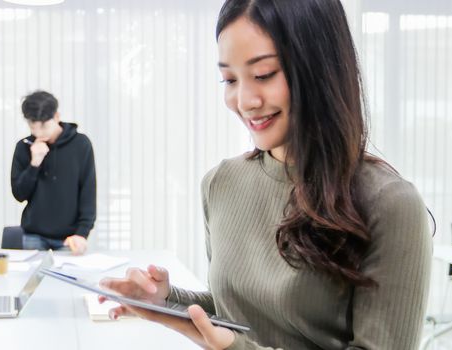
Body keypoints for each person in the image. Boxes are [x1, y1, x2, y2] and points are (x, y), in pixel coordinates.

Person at [99, 0, 432, 349]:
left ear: (319, 68)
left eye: (263, 75)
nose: (244, 100)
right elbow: (241, 314)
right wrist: (165, 300)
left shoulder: (388, 203)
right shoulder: (221, 183)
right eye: (229, 78)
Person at [11, 90, 96, 255]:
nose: (38, 133)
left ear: (56, 116)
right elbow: (19, 194)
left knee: (68, 280)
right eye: (32, 127)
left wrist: (82, 233)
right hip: (32, 236)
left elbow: (88, 191)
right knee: (32, 281)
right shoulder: (24, 146)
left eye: (44, 126)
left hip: (70, 238)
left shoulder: (81, 144)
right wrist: (34, 163)